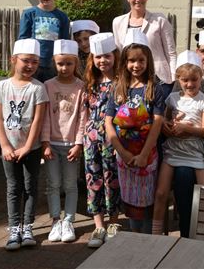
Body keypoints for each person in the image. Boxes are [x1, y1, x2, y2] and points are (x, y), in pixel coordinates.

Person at [104, 30, 164, 233]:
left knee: (146, 198)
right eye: (131, 61)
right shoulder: (118, 88)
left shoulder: (154, 88)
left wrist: (145, 153)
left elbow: (157, 123)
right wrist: (123, 151)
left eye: (141, 60)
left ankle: (145, 239)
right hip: (125, 156)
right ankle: (134, 237)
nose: (136, 65)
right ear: (124, 62)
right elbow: (108, 122)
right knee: (130, 199)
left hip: (147, 155)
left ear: (148, 61)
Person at [0, 39, 48, 250]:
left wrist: (27, 147)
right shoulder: (2, 87)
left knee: (30, 186)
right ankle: (14, 228)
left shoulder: (38, 88)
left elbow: (37, 121)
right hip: (9, 149)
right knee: (13, 187)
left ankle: (28, 228)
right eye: (26, 60)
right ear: (13, 60)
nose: (30, 65)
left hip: (31, 149)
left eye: (35, 62)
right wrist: (5, 146)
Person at [152, 51, 204, 234]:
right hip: (173, 151)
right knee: (162, 193)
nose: (189, 84)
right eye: (185, 80)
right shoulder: (172, 99)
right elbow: (164, 122)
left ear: (200, 77)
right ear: (178, 79)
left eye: (194, 79)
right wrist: (170, 125)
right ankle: (156, 232)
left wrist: (186, 129)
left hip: (195, 153)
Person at [41, 40, 85, 243]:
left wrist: (78, 143)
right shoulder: (48, 86)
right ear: (54, 63)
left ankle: (68, 220)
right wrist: (46, 142)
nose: (64, 68)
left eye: (68, 63)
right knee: (53, 184)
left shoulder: (81, 87)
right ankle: (55, 220)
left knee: (70, 185)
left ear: (75, 63)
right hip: (52, 144)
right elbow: (45, 117)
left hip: (70, 146)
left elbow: (82, 117)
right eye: (60, 64)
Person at [81, 33, 121, 248]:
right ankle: (99, 225)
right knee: (93, 179)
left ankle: (114, 222)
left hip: (112, 138)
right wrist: (83, 137)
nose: (102, 60)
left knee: (112, 179)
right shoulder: (90, 82)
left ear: (115, 56)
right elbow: (85, 112)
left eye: (107, 56)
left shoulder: (121, 82)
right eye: (98, 57)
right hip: (91, 139)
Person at [112, 0, 177, 97]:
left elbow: (171, 53)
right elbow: (120, 53)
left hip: (160, 80)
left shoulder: (159, 20)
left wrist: (174, 81)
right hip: (131, 79)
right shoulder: (118, 22)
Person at [18, 0, 70, 82]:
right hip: (33, 65)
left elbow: (64, 42)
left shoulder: (62, 17)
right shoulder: (29, 14)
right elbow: (23, 40)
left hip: (53, 66)